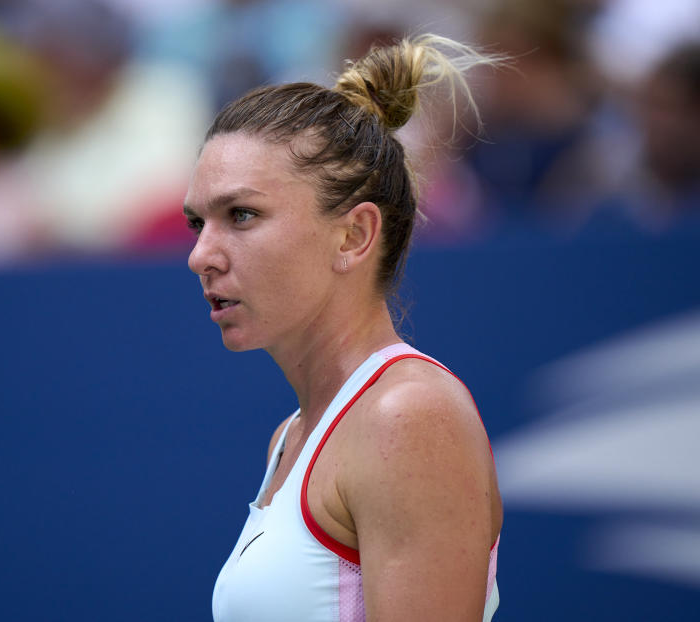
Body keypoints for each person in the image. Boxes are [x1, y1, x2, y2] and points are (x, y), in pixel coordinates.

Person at [183, 34, 503, 621]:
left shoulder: (407, 418)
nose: (201, 254)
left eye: (242, 215)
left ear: (354, 236)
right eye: (197, 222)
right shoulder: (290, 436)